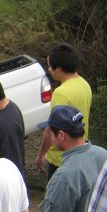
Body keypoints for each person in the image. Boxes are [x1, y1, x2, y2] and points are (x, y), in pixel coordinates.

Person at [35, 43, 92, 179]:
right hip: (81, 150)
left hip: (60, 157)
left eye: (50, 66)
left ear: (59, 68)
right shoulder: (84, 84)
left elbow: (51, 128)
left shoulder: (61, 93)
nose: (49, 69)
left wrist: (42, 154)